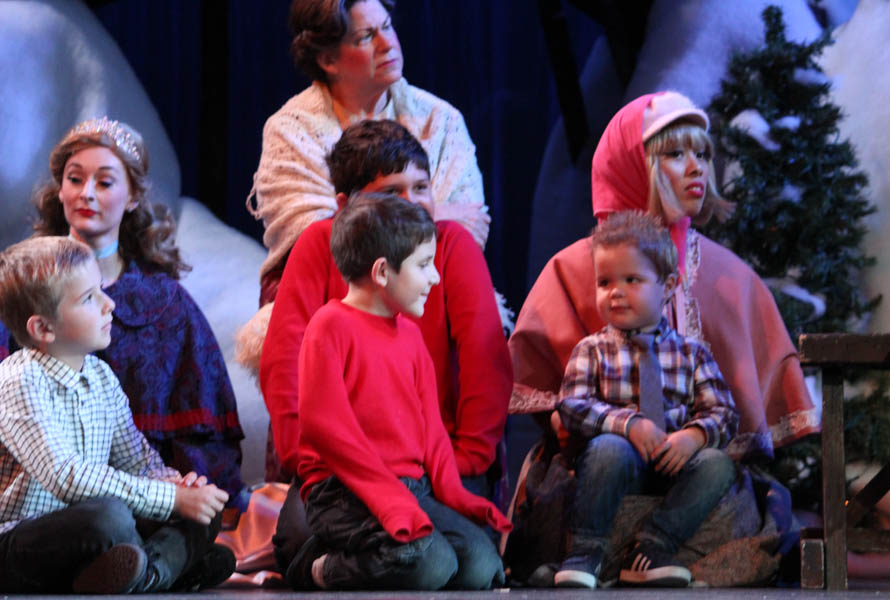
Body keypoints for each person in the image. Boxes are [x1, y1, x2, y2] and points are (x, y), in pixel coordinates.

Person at [509, 91, 818, 462]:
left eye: (701, 154)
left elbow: (737, 408)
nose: (697, 168)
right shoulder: (572, 270)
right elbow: (548, 397)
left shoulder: (733, 278)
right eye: (675, 154)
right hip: (597, 470)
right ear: (632, 164)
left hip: (700, 469)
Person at [8, 117, 248, 511]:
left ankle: (152, 561)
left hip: (149, 498)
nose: (87, 193)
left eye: (104, 182)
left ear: (133, 195)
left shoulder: (167, 305)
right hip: (46, 500)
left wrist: (183, 489)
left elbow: (195, 441)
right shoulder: (25, 290)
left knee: (196, 530)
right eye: (74, 179)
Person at [260, 119, 511, 487]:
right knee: (301, 538)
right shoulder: (318, 244)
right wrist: (307, 459)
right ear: (346, 205)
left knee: (458, 541)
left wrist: (468, 458)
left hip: (435, 461)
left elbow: (484, 357)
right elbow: (285, 358)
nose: (413, 203)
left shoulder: (451, 245)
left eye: (421, 187)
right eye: (393, 193)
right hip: (338, 465)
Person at [281, 194, 510, 590]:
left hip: (409, 488)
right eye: (424, 265)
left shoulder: (409, 334)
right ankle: (317, 567)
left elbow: (432, 431)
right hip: (343, 490)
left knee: (480, 566)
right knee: (430, 563)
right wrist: (387, 498)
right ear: (382, 272)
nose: (435, 278)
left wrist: (455, 494)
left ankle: (373, 550)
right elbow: (326, 428)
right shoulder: (330, 326)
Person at [0, 236, 234, 594]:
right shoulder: (19, 380)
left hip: (98, 531)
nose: (109, 304)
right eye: (89, 298)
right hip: (26, 537)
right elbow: (67, 477)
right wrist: (170, 499)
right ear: (43, 329)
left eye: (101, 290)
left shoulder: (100, 377)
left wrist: (176, 485)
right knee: (110, 517)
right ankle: (164, 569)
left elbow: (138, 461)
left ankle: (139, 573)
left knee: (205, 513)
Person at [246, 0, 489, 306]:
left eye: (387, 27)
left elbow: (468, 233)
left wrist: (368, 221)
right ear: (328, 60)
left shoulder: (441, 120)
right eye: (365, 37)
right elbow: (316, 244)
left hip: (434, 291)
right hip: (326, 299)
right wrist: (433, 214)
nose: (388, 44)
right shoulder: (291, 130)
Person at [552, 211, 738, 589]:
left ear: (668, 285)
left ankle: (651, 547)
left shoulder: (691, 353)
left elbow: (724, 413)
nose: (615, 291)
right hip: (616, 467)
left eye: (631, 280)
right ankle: (586, 551)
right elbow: (572, 405)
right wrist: (629, 424)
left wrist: (694, 437)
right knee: (609, 448)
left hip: (672, 465)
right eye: (604, 282)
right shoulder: (593, 350)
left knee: (717, 465)